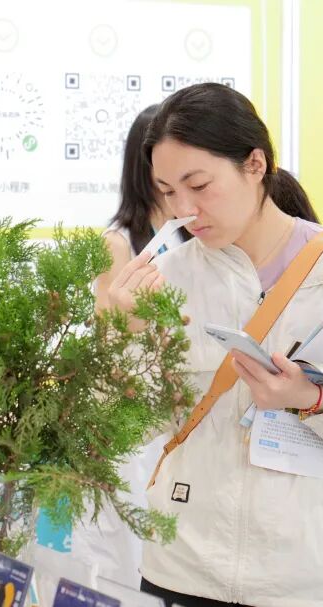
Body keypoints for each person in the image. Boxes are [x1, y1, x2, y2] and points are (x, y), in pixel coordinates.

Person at [108, 83, 323, 606]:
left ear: (255, 165)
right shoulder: (167, 277)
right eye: (167, 191)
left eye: (199, 185)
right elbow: (129, 426)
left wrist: (312, 398)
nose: (184, 209)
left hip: (306, 578)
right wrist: (125, 337)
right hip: (184, 569)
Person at [72, 104, 189, 585]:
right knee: (121, 556)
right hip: (128, 420)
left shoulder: (193, 237)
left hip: (178, 416)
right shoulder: (118, 242)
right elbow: (110, 338)